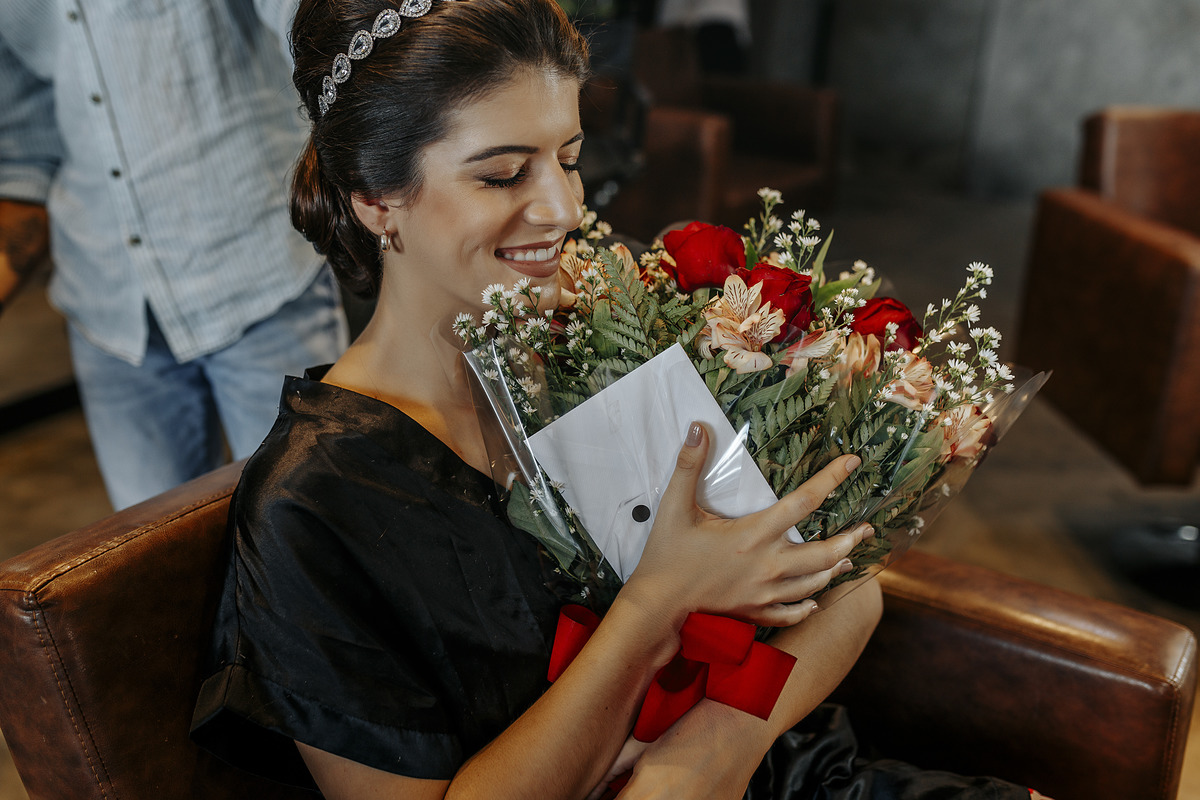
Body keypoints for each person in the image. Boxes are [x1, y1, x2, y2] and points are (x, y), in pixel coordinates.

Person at [190, 2, 1047, 798]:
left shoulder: (614, 330)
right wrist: (653, 606)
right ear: (376, 197)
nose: (565, 207)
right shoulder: (318, 503)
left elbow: (851, 584)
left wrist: (709, 752)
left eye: (568, 157)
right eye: (501, 175)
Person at [0, 2, 349, 510]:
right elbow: (24, 157)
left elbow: (320, 29)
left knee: (309, 530)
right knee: (152, 565)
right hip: (109, 314)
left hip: (259, 276)